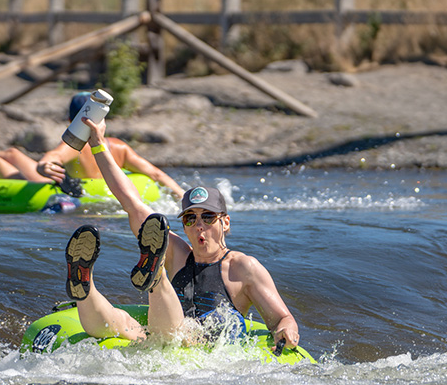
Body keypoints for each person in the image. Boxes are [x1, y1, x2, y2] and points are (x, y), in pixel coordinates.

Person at [63, 115, 301, 350]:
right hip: (164, 336)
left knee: (181, 330)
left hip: (199, 345)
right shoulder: (177, 252)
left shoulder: (243, 267)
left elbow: (282, 318)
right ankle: (85, 284)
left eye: (208, 217)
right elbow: (130, 201)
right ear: (185, 225)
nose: (199, 225)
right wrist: (98, 144)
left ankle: (156, 278)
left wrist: (288, 329)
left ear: (225, 223)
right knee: (122, 321)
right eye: (190, 218)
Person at [0, 92, 185, 198]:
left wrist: (46, 166)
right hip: (63, 181)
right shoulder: (119, 147)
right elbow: (156, 174)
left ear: (74, 120)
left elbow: (51, 158)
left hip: (62, 188)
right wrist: (181, 196)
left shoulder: (76, 145)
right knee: (11, 153)